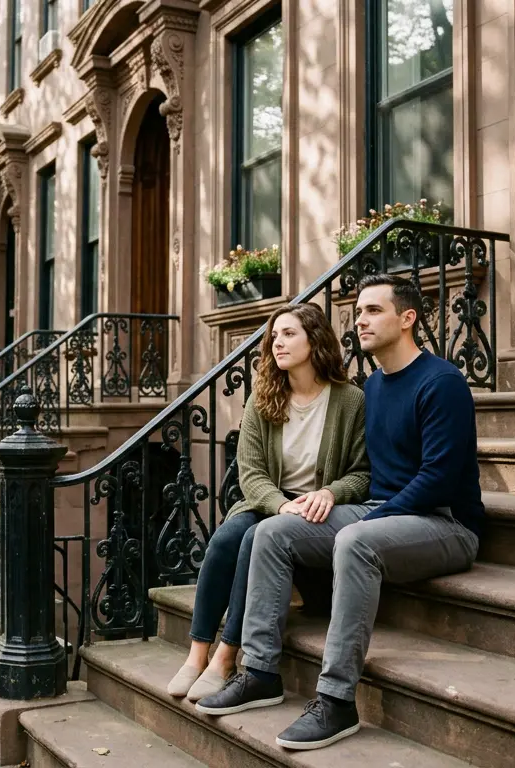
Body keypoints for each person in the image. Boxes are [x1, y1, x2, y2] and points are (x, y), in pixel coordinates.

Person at [195, 274, 483, 752]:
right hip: (383, 513)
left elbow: (440, 480)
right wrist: (335, 499)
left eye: (373, 310)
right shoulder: (372, 387)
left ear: (407, 318)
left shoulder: (442, 383)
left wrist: (371, 516)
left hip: (445, 522)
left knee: (355, 540)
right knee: (272, 531)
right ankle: (260, 671)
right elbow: (362, 470)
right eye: (359, 310)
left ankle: (336, 700)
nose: (360, 320)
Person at [166, 303, 370, 702]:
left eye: (289, 334)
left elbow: (362, 474)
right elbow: (251, 473)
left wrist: (330, 493)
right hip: (270, 502)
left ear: (315, 340)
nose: (278, 342)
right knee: (226, 539)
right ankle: (196, 654)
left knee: (254, 541)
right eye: (274, 336)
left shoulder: (350, 402)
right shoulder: (263, 399)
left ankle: (226, 656)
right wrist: (279, 505)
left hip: (317, 511)